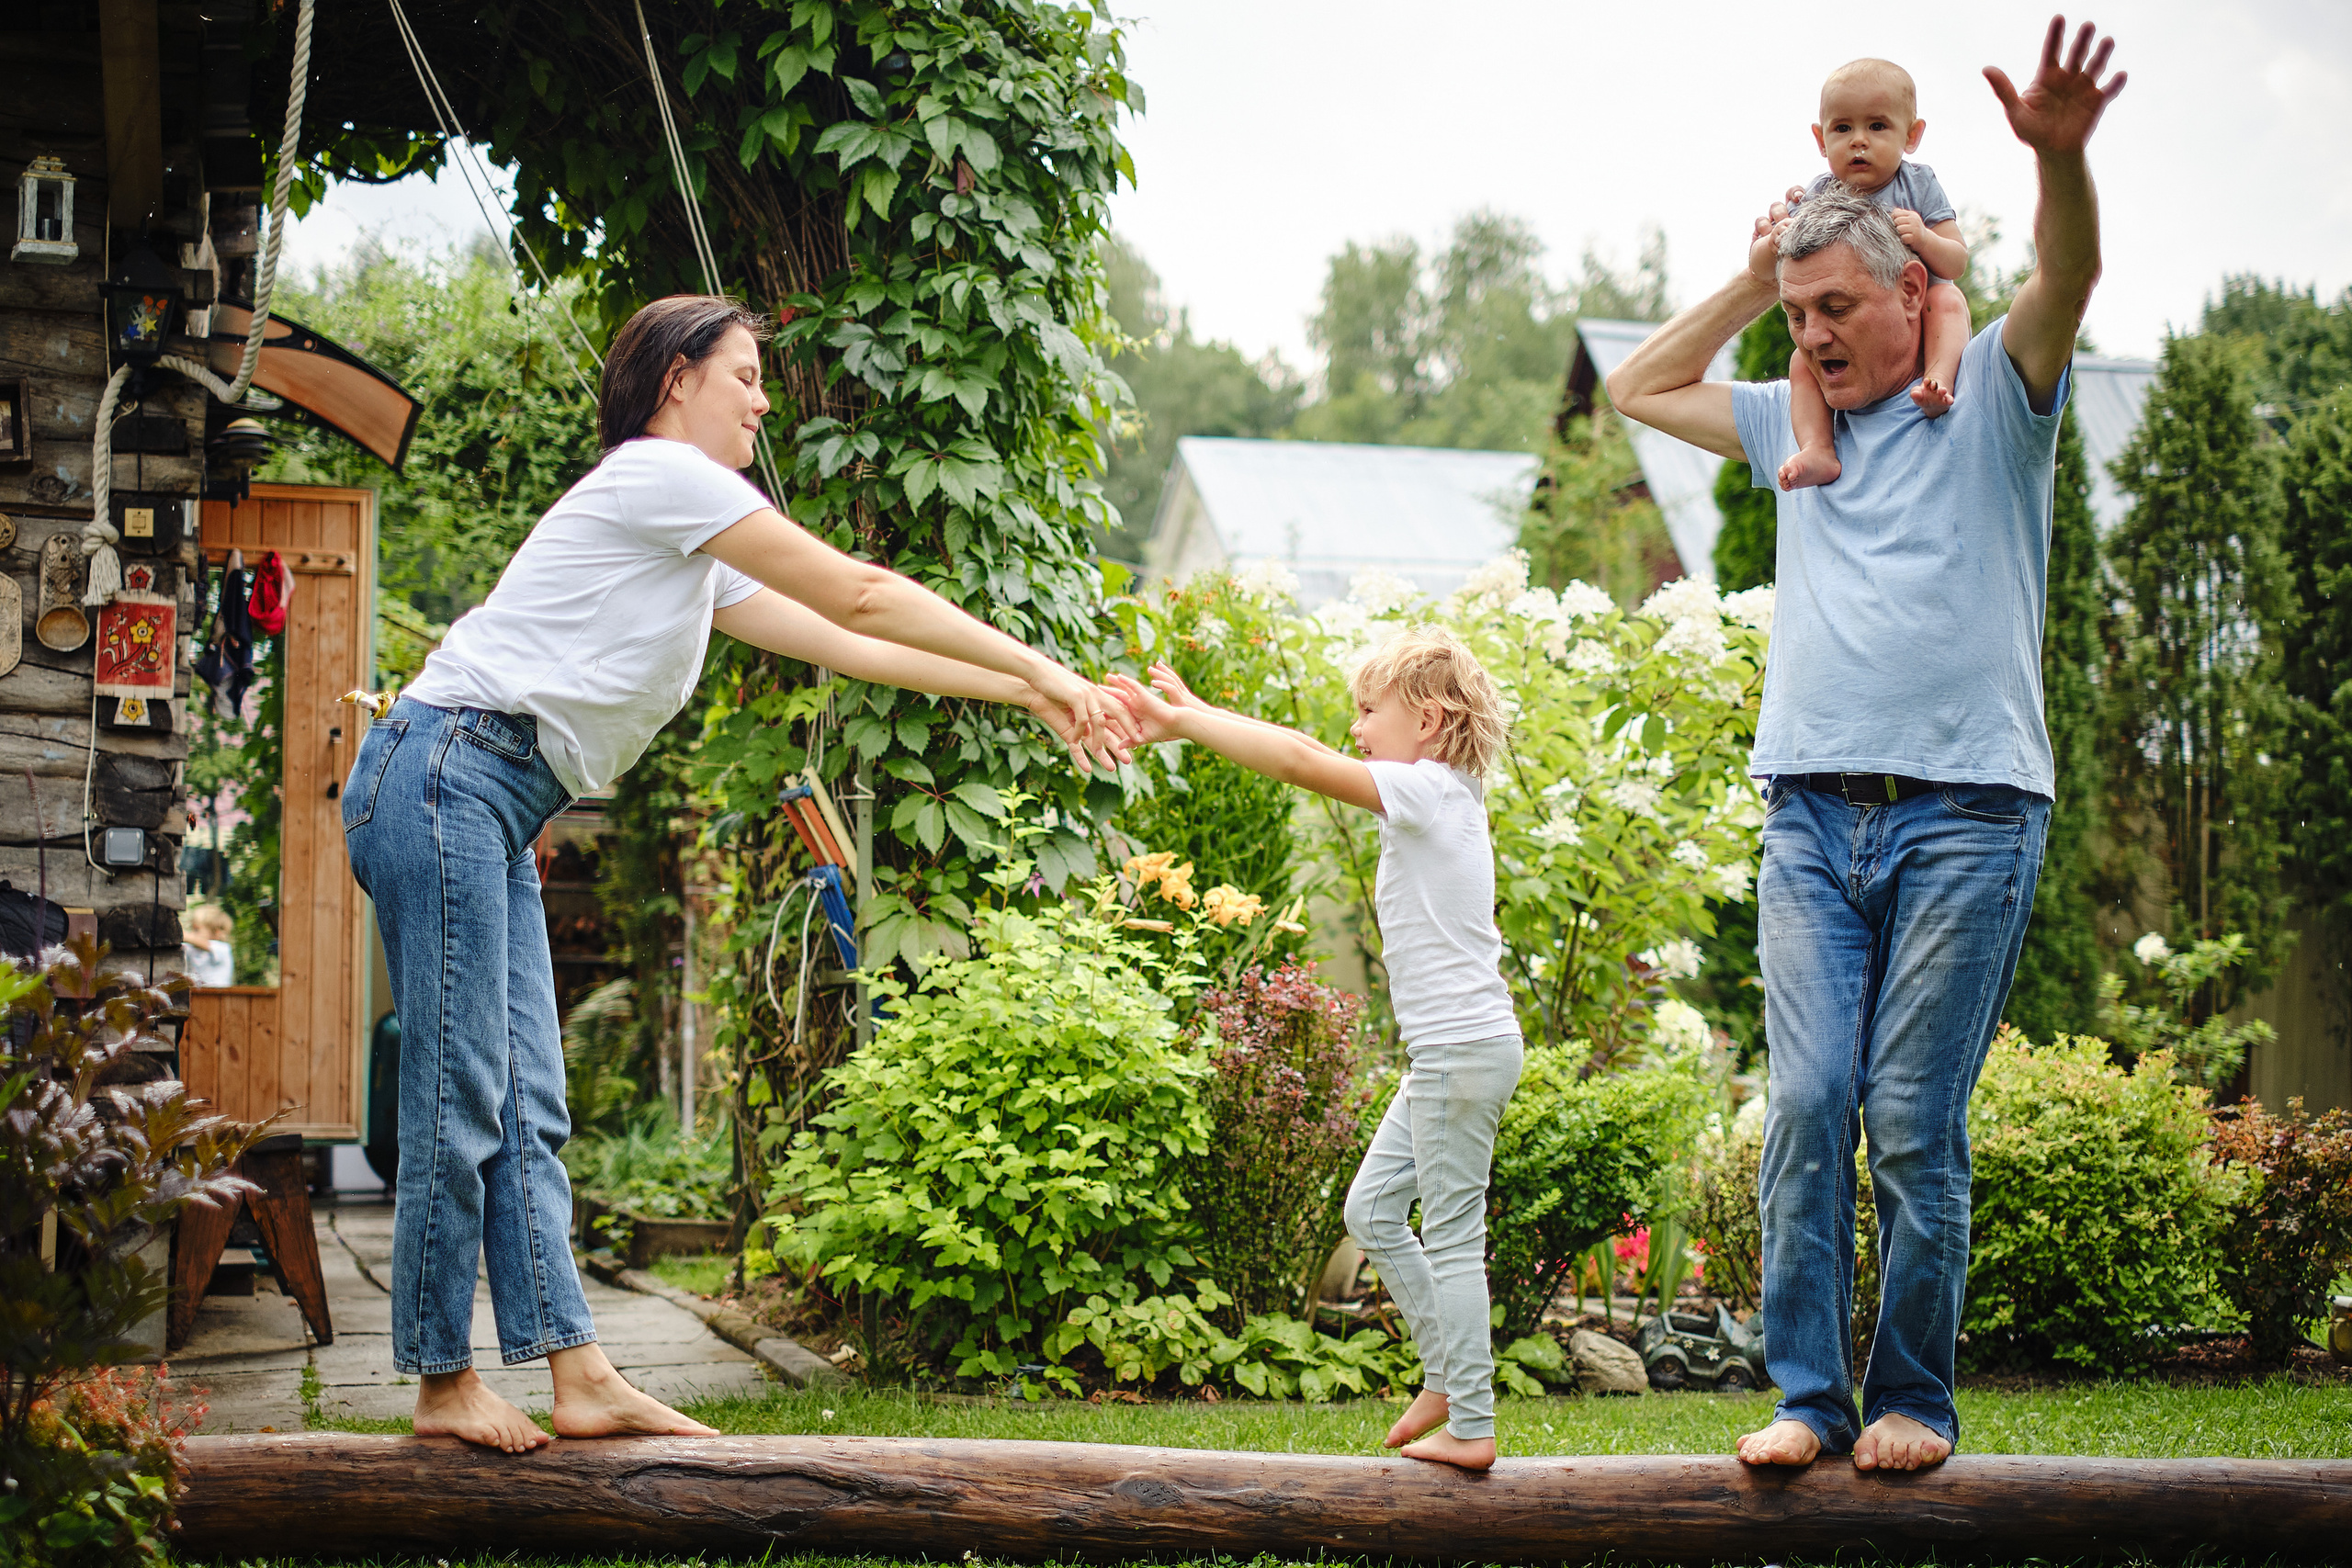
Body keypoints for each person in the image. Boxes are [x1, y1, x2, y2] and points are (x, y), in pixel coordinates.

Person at [345, 294, 1133, 1454]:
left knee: (529, 1101)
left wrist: (1031, 692)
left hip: (485, 794)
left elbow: (853, 642)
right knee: (462, 1090)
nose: (764, 400)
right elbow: (859, 589)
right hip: (445, 773)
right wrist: (1049, 669)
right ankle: (441, 1382)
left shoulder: (684, 531)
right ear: (677, 379)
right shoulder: (660, 478)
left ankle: (579, 1373)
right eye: (746, 375)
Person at [1604, 17, 2124, 1472]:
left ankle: (1912, 1398)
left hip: (1969, 815)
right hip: (1811, 820)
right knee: (1813, 1100)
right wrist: (1753, 264)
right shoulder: (1787, 416)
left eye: (1835, 306)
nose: (1812, 336)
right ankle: (1806, 1397)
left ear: (1914, 288)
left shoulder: (1997, 404)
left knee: (1908, 1118)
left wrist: (2061, 164)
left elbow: (2067, 276)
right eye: (1798, 315)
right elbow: (1645, 388)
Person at [1110, 629, 1520, 1471]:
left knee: (1448, 1234)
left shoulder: (1428, 790)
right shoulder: (1448, 792)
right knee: (1371, 1211)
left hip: (1457, 1051)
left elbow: (1297, 760)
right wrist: (1196, 713)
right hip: (1452, 1054)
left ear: (1431, 721)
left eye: (1370, 711)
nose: (1358, 729)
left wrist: (1190, 720)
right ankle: (1447, 1378)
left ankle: (1471, 1423)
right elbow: (1306, 750)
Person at [1777, 58, 1973, 491]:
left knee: (1949, 300)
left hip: (1922, 315)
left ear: (1913, 135)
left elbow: (1957, 261)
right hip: (1868, 336)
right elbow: (1794, 248)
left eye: (1878, 127)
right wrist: (1784, 225)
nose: (1859, 141)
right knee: (1800, 362)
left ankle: (1937, 379)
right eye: (1842, 129)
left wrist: (1924, 237)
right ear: (1820, 139)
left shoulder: (1917, 185)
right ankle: (1818, 448)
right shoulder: (1820, 193)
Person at [181, 904, 235, 987]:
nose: (192, 933)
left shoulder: (222, 948)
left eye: (196, 929)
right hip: (199, 994)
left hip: (218, 996)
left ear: (216, 932)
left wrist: (182, 935)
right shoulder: (192, 948)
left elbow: (204, 944)